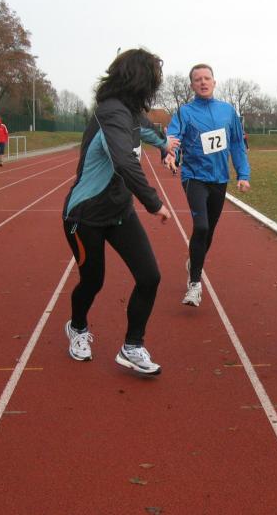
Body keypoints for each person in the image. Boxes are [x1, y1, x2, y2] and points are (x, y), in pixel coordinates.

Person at [62, 48, 171, 375]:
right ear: (138, 80)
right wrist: (154, 202)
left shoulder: (130, 113)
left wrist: (167, 146)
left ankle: (132, 346)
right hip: (84, 217)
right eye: (153, 80)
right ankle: (77, 327)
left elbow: (150, 131)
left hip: (120, 212)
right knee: (93, 281)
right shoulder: (110, 113)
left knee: (150, 277)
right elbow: (124, 161)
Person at [166, 64, 250, 307]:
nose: (203, 82)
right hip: (194, 177)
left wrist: (243, 174)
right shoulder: (185, 112)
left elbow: (237, 144)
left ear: (214, 82)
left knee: (209, 231)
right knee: (201, 226)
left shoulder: (228, 111)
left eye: (206, 78)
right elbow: (174, 138)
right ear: (192, 85)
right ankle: (195, 284)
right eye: (197, 79)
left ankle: (194, 261)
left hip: (219, 179)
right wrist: (170, 154)